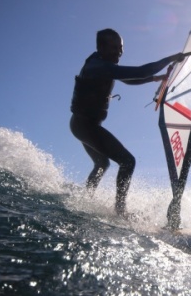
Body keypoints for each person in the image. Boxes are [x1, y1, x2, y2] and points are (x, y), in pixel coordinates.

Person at [70, 28, 183, 217]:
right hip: (84, 125)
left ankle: (84, 200)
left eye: (120, 48)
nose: (118, 53)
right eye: (113, 48)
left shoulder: (105, 66)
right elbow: (139, 71)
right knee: (128, 161)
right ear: (100, 47)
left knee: (102, 164)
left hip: (84, 125)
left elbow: (129, 79)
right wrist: (170, 59)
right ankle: (120, 210)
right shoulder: (96, 66)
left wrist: (155, 79)